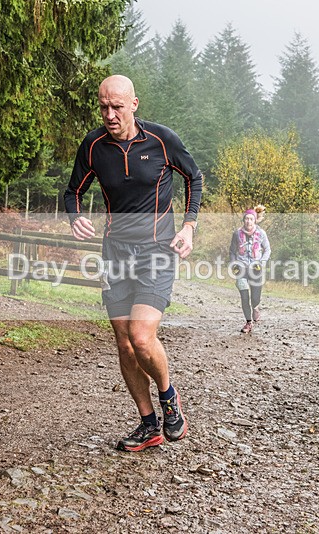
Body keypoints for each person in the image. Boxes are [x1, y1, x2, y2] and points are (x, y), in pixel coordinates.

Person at [64, 74, 203, 452]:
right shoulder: (93, 146)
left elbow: (194, 177)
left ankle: (169, 399)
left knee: (142, 337)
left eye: (117, 106)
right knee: (125, 345)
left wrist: (189, 227)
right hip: (115, 253)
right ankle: (148, 425)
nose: (109, 114)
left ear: (134, 104)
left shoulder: (161, 140)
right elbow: (72, 191)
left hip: (158, 250)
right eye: (103, 106)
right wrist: (74, 215)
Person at [229, 206, 271, 334]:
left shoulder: (261, 233)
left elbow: (267, 250)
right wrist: (234, 263)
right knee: (244, 296)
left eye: (251, 219)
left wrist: (262, 262)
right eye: (246, 218)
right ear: (243, 220)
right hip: (241, 267)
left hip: (256, 267)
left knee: (255, 297)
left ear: (255, 220)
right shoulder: (237, 233)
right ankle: (248, 322)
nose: (248, 221)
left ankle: (256, 307)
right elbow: (232, 251)